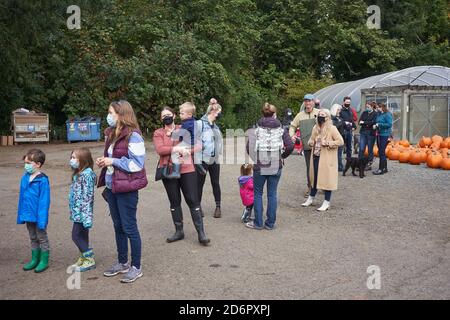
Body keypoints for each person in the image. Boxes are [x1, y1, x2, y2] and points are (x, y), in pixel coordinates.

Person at [97, 100, 148, 283]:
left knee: (129, 227)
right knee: (118, 226)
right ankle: (122, 262)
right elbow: (113, 158)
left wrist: (113, 162)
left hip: (127, 189)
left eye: (111, 112)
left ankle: (136, 266)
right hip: (112, 187)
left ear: (121, 114)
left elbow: (136, 164)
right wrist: (104, 160)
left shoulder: (134, 136)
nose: (108, 116)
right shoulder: (110, 133)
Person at [153, 106, 210, 245]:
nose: (166, 117)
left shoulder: (184, 127)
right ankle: (179, 231)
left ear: (174, 115)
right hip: (169, 170)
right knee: (174, 201)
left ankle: (201, 233)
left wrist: (187, 151)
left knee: (192, 199)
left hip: (186, 168)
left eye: (168, 114)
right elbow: (160, 150)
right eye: (163, 116)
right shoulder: (158, 133)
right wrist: (175, 149)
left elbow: (199, 144)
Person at [246, 103, 294, 230]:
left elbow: (248, 147)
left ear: (263, 114)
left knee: (258, 193)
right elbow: (290, 146)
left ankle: (258, 223)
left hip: (260, 165)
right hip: (275, 164)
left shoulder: (256, 129)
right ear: (274, 114)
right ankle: (270, 224)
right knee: (272, 193)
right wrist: (282, 156)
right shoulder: (281, 129)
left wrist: (255, 158)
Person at [302, 109, 344, 211]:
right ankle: (311, 198)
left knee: (327, 180)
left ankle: (326, 202)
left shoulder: (332, 128)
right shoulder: (315, 128)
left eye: (323, 115)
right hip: (316, 156)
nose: (320, 116)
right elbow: (311, 140)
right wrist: (311, 142)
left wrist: (328, 143)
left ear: (328, 117)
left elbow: (340, 141)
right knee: (315, 178)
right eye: (319, 115)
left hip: (326, 159)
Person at [17, 149, 51, 273]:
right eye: (25, 162)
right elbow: (22, 199)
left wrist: (42, 220)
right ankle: (34, 259)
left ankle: (44, 260)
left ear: (38, 164)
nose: (26, 165)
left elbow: (44, 202)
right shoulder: (24, 178)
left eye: (29, 162)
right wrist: (21, 216)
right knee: (32, 237)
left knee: (41, 237)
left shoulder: (42, 180)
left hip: (38, 216)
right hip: (28, 215)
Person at [69, 147, 97, 272]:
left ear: (83, 160)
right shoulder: (79, 174)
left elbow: (87, 197)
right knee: (83, 236)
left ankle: (89, 258)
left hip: (82, 213)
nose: (71, 160)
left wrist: (86, 216)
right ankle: (84, 257)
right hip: (77, 211)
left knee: (75, 235)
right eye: (71, 157)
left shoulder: (86, 175)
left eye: (74, 158)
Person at [197, 98, 223, 218]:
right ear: (213, 112)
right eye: (219, 112)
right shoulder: (200, 123)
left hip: (214, 159)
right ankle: (198, 207)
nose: (220, 114)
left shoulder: (215, 126)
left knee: (215, 183)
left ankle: (218, 207)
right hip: (203, 159)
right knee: (199, 183)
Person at [289, 94, 320, 197]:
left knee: (320, 166)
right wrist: (292, 135)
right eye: (306, 101)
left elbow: (328, 125)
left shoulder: (319, 113)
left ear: (313, 102)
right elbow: (292, 126)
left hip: (320, 146)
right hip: (307, 146)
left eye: (309, 101)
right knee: (309, 167)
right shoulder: (300, 115)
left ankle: (322, 186)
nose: (308, 103)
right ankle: (310, 187)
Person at [373, 103, 393, 175]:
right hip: (379, 134)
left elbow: (389, 124)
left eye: (379, 107)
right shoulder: (379, 114)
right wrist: (376, 125)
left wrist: (379, 124)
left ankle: (381, 169)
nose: (377, 108)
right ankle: (385, 168)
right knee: (381, 151)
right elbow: (377, 121)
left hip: (385, 135)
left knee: (381, 151)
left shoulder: (387, 114)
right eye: (377, 107)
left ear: (382, 107)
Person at [358, 101, 378, 171]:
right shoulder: (364, 113)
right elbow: (359, 122)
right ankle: (360, 163)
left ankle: (369, 164)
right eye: (366, 107)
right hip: (363, 132)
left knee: (370, 149)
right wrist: (367, 123)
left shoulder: (375, 114)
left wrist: (364, 122)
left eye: (368, 107)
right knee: (361, 148)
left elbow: (374, 122)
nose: (367, 108)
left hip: (371, 134)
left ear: (372, 107)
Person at [340, 96, 357, 161]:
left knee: (349, 147)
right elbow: (339, 120)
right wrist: (344, 123)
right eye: (347, 102)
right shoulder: (340, 110)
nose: (348, 103)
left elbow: (351, 119)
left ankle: (349, 161)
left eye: (349, 102)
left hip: (349, 130)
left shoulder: (350, 110)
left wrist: (354, 126)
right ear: (344, 102)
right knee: (341, 147)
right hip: (342, 131)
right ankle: (339, 163)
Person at [330, 104, 344, 171]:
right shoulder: (331, 118)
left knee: (339, 153)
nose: (339, 111)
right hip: (334, 138)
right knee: (336, 153)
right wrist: (340, 122)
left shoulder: (340, 118)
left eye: (340, 110)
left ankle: (339, 166)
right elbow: (334, 126)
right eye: (338, 109)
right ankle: (339, 166)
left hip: (340, 137)